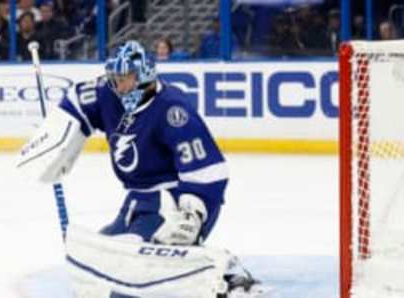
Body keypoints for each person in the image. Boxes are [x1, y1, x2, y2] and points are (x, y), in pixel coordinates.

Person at [17, 40, 262, 297]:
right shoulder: (109, 94)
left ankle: (228, 278)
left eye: (125, 79)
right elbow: (78, 99)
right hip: (138, 201)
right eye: (115, 78)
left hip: (173, 202)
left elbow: (209, 171)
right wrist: (58, 136)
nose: (118, 85)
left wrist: (193, 216)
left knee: (130, 275)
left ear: (143, 76)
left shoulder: (172, 110)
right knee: (102, 261)